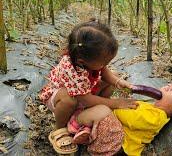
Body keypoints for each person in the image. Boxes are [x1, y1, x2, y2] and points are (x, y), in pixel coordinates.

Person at [39, 19, 138, 154]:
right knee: (69, 99)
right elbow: (84, 99)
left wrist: (117, 81)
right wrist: (115, 103)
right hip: (60, 98)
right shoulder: (71, 68)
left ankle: (86, 114)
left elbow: (104, 71)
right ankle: (60, 129)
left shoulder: (87, 59)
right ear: (82, 61)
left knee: (112, 78)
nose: (105, 64)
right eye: (105, 61)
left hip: (83, 93)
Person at [70, 82, 172, 156]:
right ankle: (86, 131)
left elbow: (129, 118)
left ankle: (72, 126)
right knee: (103, 108)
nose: (166, 87)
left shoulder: (157, 117)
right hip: (111, 136)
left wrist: (114, 105)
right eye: (169, 85)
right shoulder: (150, 106)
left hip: (117, 145)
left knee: (103, 109)